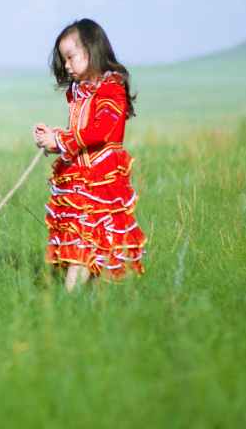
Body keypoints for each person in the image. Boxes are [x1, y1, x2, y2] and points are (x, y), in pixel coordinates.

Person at [33, 19, 147, 290]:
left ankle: (69, 302)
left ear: (92, 50)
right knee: (87, 244)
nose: (68, 66)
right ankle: (87, 302)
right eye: (64, 60)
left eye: (70, 57)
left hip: (100, 182)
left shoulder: (110, 87)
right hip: (80, 181)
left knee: (85, 244)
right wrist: (54, 139)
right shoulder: (80, 92)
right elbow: (82, 132)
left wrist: (61, 139)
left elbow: (103, 130)